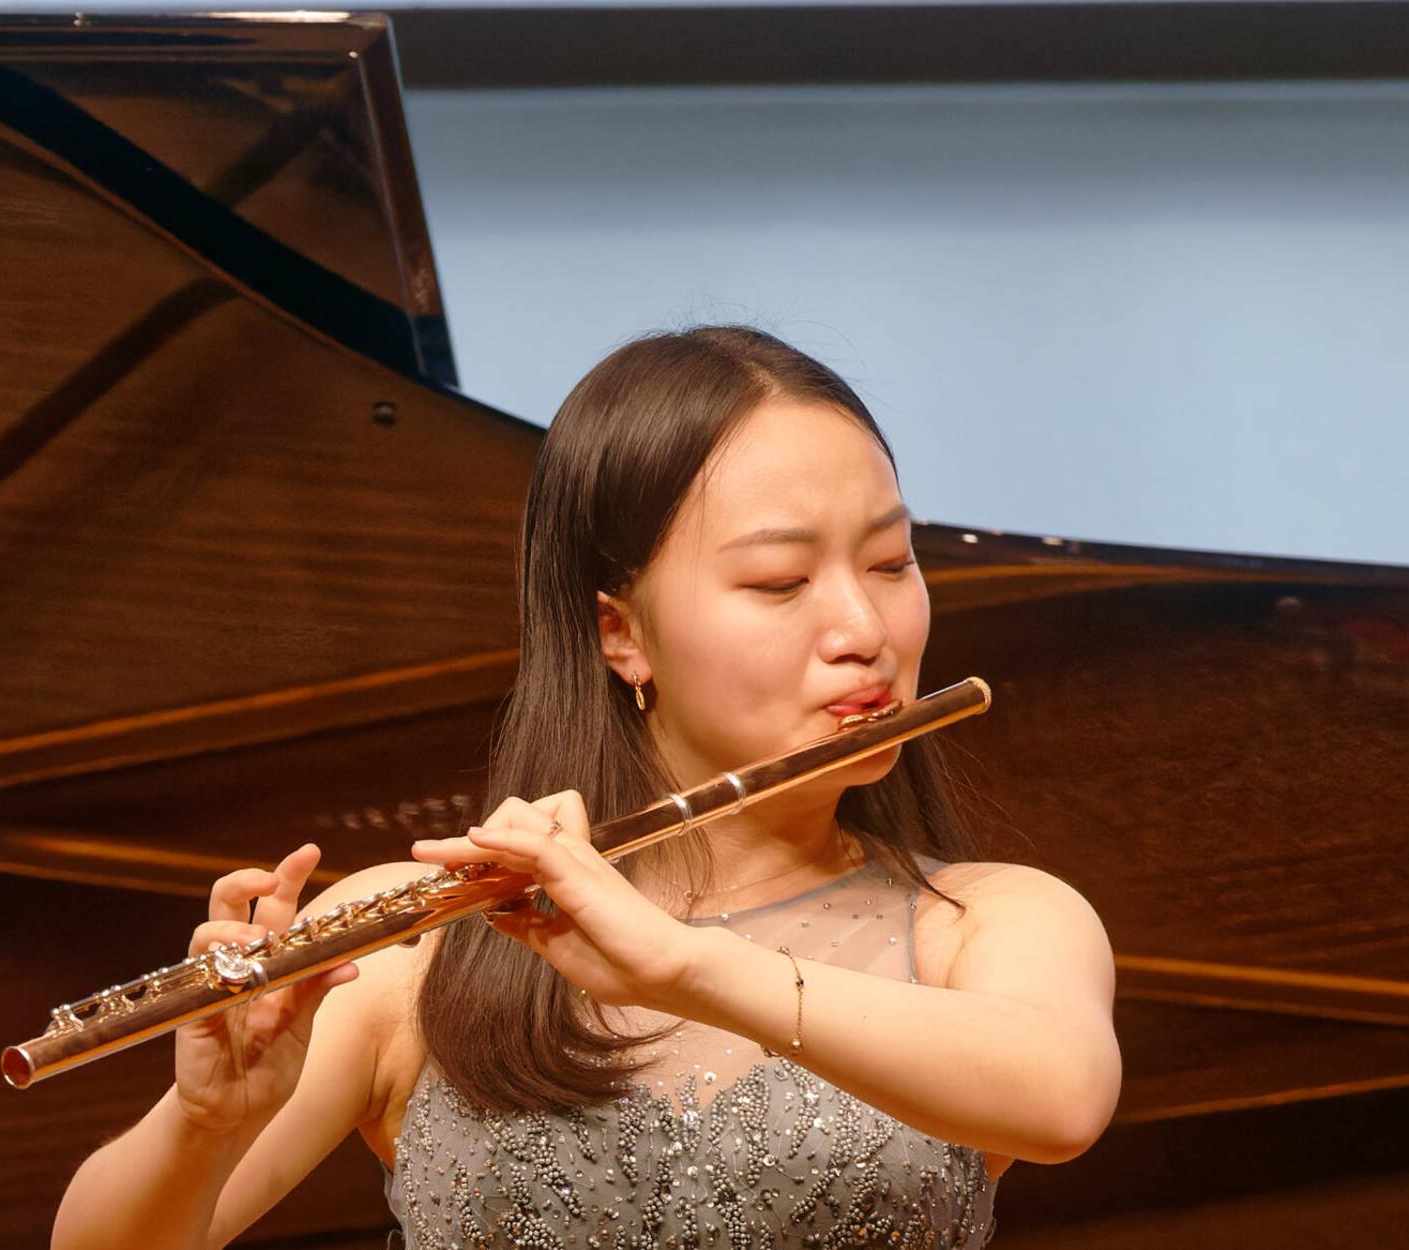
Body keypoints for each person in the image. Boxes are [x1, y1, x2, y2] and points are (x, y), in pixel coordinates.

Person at [54, 326, 1121, 1249]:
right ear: (621, 632)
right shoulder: (415, 950)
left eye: (890, 563)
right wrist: (204, 1123)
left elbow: (1062, 1097)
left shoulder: (986, 921)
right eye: (780, 581)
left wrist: (682, 965)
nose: (864, 629)